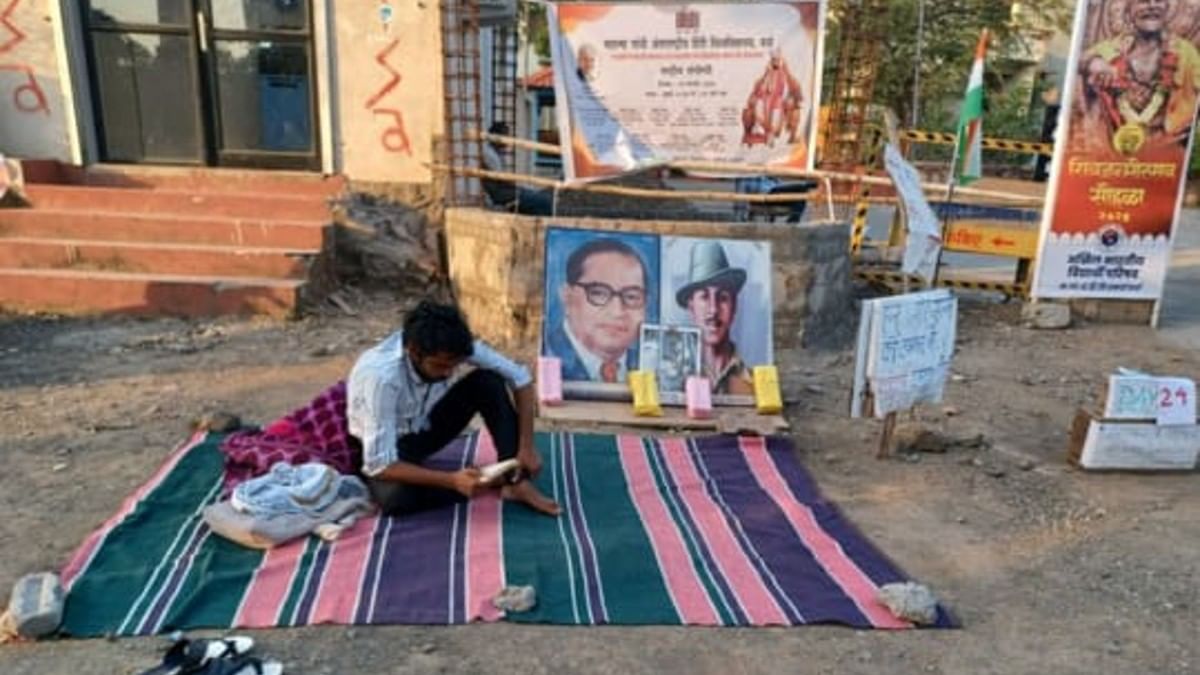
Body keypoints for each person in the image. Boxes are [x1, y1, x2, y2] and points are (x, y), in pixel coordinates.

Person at [348, 301, 560, 517]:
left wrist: (526, 447)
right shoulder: (381, 378)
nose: (448, 373)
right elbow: (379, 465)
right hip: (391, 445)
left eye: (454, 365)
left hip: (423, 426)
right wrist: (451, 480)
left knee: (488, 382)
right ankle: (485, 481)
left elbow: (520, 378)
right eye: (440, 366)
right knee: (395, 500)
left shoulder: (452, 344)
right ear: (414, 352)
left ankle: (516, 482)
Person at [1077, 0, 1200, 155]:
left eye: (1159, 1)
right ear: (1128, 10)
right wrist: (1091, 62)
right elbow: (1078, 61)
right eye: (1143, 1)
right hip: (1110, 152)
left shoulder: (1186, 53)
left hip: (1167, 153)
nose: (1152, 6)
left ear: (1167, 8)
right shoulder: (1108, 51)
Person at [544, 238, 648, 383]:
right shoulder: (545, 356)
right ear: (567, 297)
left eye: (631, 296)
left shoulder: (650, 366)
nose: (617, 312)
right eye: (599, 293)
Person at [676, 241, 754, 395]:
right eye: (704, 297)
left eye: (722, 298)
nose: (713, 310)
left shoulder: (752, 381)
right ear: (691, 307)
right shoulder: (674, 377)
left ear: (734, 306)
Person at [481, 122, 555, 215]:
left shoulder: (497, 152)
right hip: (499, 194)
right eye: (506, 136)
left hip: (505, 190)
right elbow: (501, 179)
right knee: (543, 200)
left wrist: (519, 186)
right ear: (497, 137)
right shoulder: (490, 154)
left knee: (538, 200)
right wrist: (518, 185)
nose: (508, 139)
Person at [742, 48, 805, 148]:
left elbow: (797, 93)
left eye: (777, 60)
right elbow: (757, 90)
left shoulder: (786, 74)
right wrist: (766, 74)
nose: (775, 62)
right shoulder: (766, 73)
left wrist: (786, 71)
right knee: (752, 106)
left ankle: (789, 135)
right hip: (764, 102)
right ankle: (753, 133)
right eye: (773, 60)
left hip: (780, 104)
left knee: (791, 105)